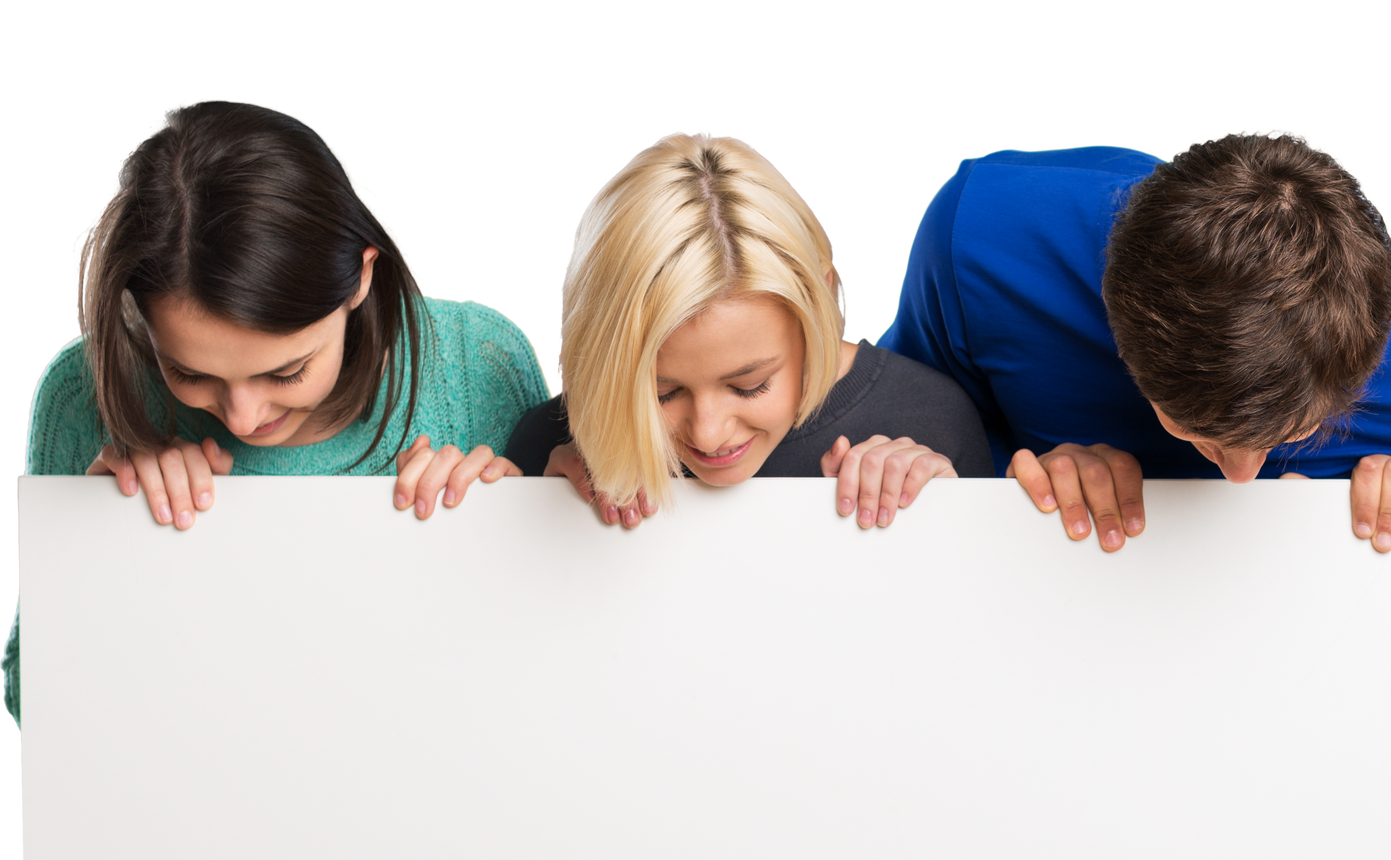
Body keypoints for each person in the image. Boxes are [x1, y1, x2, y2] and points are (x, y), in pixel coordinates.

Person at [6, 97, 552, 731]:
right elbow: (36, 714)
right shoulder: (83, 391)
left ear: (359, 280)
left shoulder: (479, 362)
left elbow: (557, 679)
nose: (242, 416)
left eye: (287, 371)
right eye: (191, 373)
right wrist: (91, 556)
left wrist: (523, 526)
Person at [876, 128, 1391, 554]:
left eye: (1289, 435)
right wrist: (1008, 477)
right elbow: (908, 436)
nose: (1240, 477)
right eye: (1206, 437)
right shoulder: (982, 242)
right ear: (1121, 339)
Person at [503, 129, 988, 528]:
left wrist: (943, 525)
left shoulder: (932, 422)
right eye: (661, 393)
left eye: (750, 385)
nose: (710, 435)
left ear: (816, 309)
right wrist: (544, 515)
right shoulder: (551, 447)